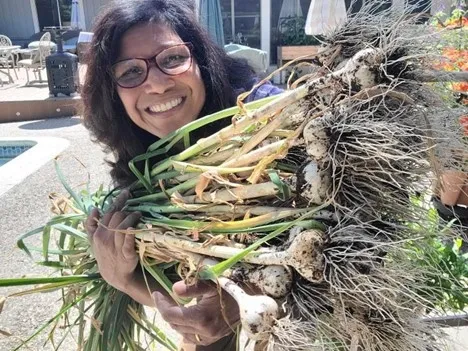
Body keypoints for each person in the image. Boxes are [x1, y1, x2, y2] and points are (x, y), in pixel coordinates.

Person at [81, 0, 282, 349]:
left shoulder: (265, 115)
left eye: (172, 59)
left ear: (201, 61)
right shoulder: (142, 160)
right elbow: (183, 294)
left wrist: (245, 295)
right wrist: (120, 277)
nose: (157, 85)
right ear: (114, 95)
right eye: (130, 72)